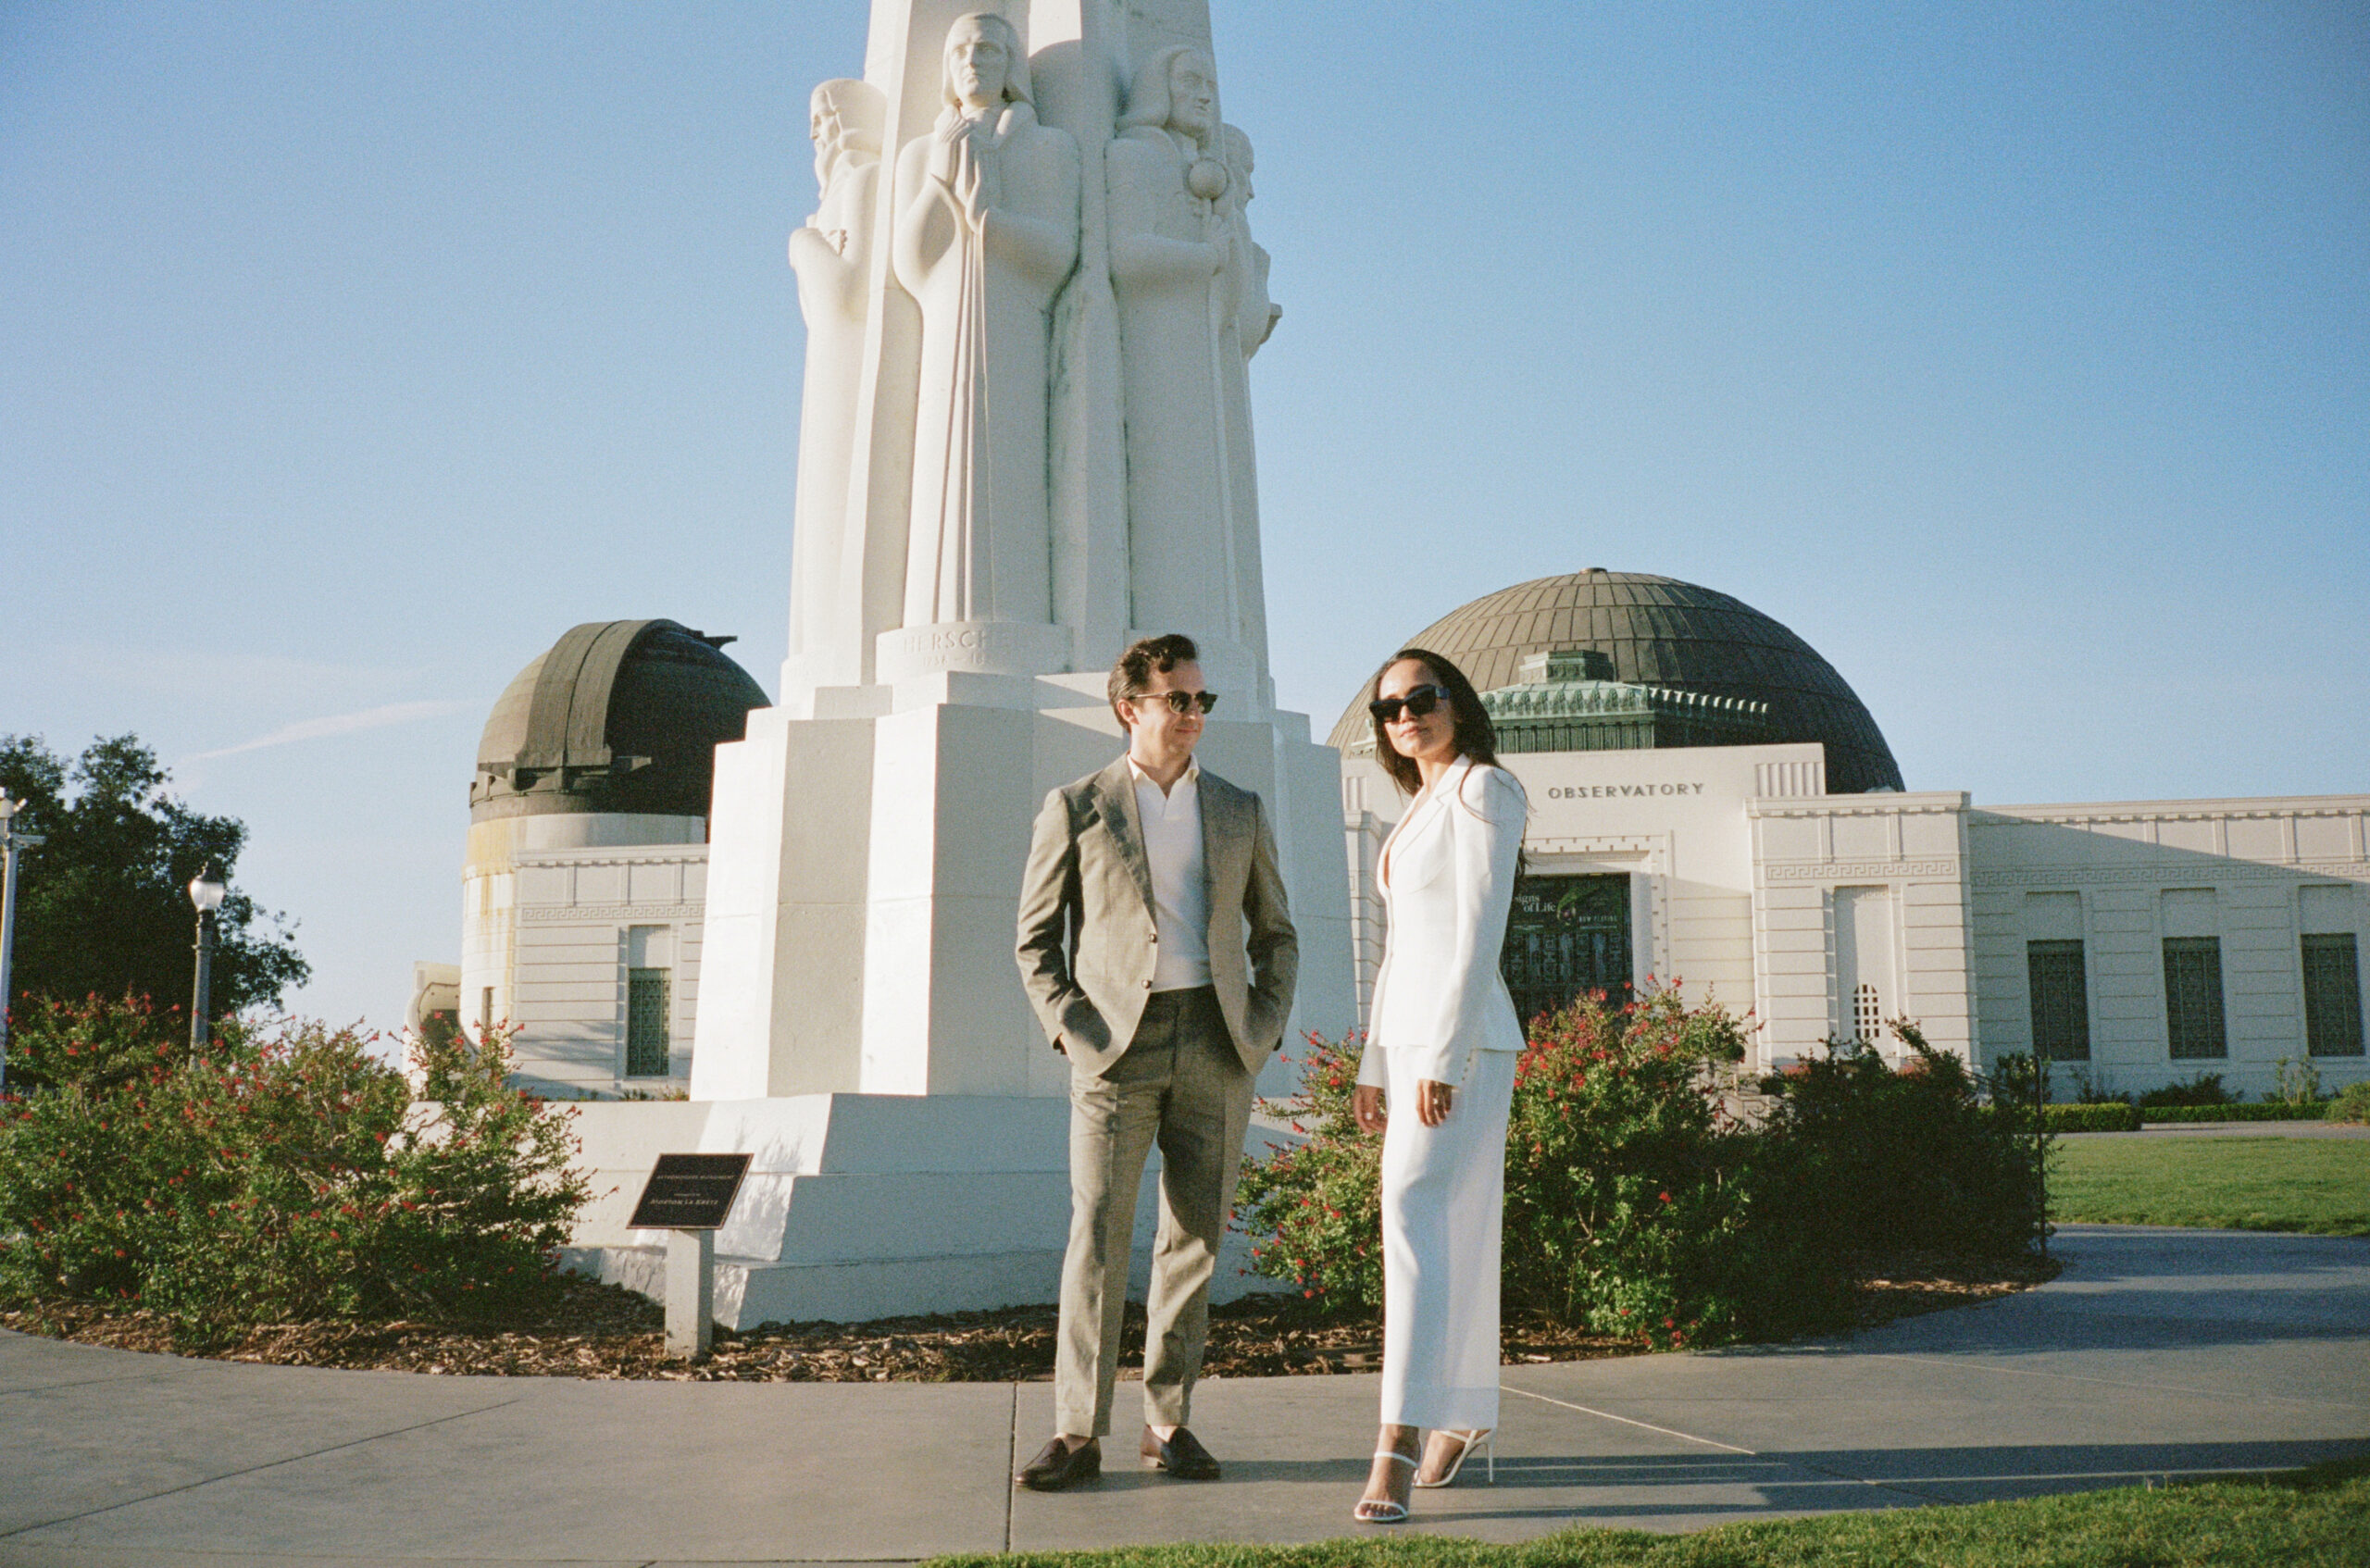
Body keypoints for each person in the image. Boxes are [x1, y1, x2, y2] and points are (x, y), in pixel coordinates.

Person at [1013, 633, 1300, 1490]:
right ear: (1129, 706)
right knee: (1097, 1234)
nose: (1194, 715)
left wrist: (1264, 1024)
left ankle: (1168, 1422)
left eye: (1201, 701)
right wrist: (1073, 1030)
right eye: (1178, 700)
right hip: (1116, 1051)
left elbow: (1275, 932)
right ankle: (1075, 1432)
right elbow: (1034, 942)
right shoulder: (1076, 806)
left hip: (1218, 1042)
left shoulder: (1240, 808)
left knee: (1196, 1240)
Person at [1349, 648, 1529, 1524]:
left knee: (1418, 1219)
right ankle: (1462, 1412)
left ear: (1456, 703)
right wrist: (1375, 1062)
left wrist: (1443, 1059)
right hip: (1412, 1045)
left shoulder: (1484, 790)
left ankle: (1398, 1440)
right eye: (1390, 708)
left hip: (1464, 1046)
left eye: (1423, 698)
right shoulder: (1416, 807)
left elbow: (1476, 936)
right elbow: (1400, 952)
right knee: (1445, 1228)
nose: (1407, 715)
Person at [892, 11, 1079, 629]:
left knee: (1013, 468)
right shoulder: (926, 152)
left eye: (991, 50)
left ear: (1012, 68)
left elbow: (1058, 250)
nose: (974, 60)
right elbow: (911, 263)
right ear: (947, 67)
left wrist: (993, 220)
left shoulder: (1046, 145)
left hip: (1016, 326)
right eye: (962, 50)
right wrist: (940, 183)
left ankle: (1016, 617)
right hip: (945, 329)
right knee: (938, 482)